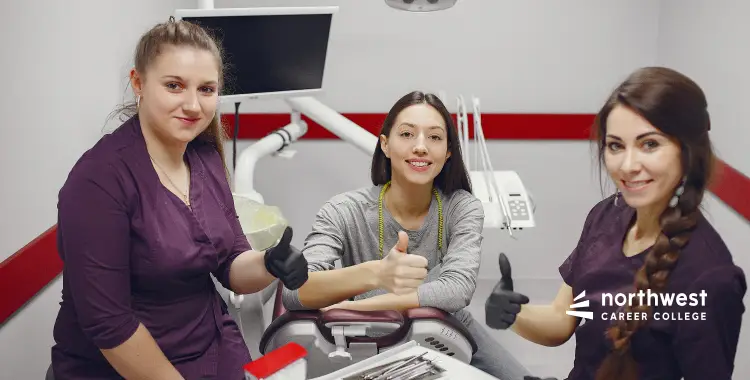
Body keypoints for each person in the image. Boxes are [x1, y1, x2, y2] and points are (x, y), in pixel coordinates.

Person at [50, 18, 308, 380]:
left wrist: (269, 263)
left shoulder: (203, 156)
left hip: (212, 348)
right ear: (138, 82)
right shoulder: (99, 181)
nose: (192, 105)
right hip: (126, 366)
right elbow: (110, 325)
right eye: (174, 86)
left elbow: (232, 263)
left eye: (206, 89)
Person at [485, 67, 747, 380]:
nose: (627, 165)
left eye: (650, 144)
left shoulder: (710, 277)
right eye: (615, 146)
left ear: (688, 150)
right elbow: (561, 319)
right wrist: (512, 314)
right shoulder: (606, 216)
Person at [281, 90, 533, 380]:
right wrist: (375, 274)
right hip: (365, 339)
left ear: (448, 151)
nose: (421, 147)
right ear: (385, 145)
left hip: (447, 331)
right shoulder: (343, 210)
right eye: (407, 134)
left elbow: (456, 291)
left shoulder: (462, 207)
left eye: (435, 137)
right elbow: (294, 291)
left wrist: (358, 306)